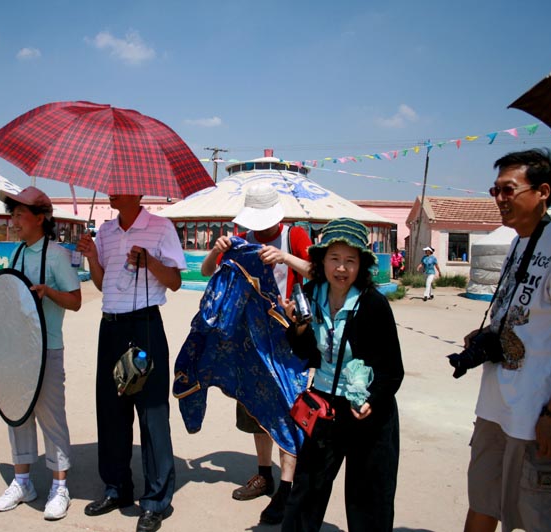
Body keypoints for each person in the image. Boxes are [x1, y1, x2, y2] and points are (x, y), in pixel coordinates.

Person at [462, 148, 551, 532]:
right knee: (482, 502)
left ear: (542, 192)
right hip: (496, 407)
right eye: (495, 191)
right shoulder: (519, 242)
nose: (500, 199)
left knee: (537, 519)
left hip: (537, 413)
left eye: (509, 189)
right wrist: (487, 335)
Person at [280, 217, 404, 532]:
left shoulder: (373, 304)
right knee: (308, 488)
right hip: (324, 405)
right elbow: (305, 353)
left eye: (350, 260)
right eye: (334, 258)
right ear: (321, 260)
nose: (342, 268)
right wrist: (299, 327)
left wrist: (372, 400)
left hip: (367, 412)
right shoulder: (309, 294)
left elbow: (392, 369)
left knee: (369, 498)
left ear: (361, 264)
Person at [200, 183, 311, 525]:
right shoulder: (240, 238)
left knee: (288, 409)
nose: (260, 230)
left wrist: (284, 257)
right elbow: (207, 272)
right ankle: (265, 473)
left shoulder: (295, 236)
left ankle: (288, 488)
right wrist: (214, 251)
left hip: (289, 336)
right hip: (249, 339)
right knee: (255, 406)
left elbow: (317, 272)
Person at [76, 194, 185, 532]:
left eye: (121, 184)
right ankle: (117, 488)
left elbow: (177, 282)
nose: (112, 188)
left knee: (152, 413)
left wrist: (149, 261)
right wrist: (94, 257)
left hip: (145, 326)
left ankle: (155, 500)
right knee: (111, 410)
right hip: (110, 326)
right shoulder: (106, 231)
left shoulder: (160, 227)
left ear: (137, 192)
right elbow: (102, 282)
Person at [0, 186, 82, 521]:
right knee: (18, 415)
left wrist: (49, 292)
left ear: (39, 218)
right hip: (14, 352)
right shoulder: (15, 254)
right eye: (11, 214)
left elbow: (76, 300)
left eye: (19, 214)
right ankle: (23, 481)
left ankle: (60, 487)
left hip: (47, 350)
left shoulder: (56, 254)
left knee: (51, 418)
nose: (13, 221)